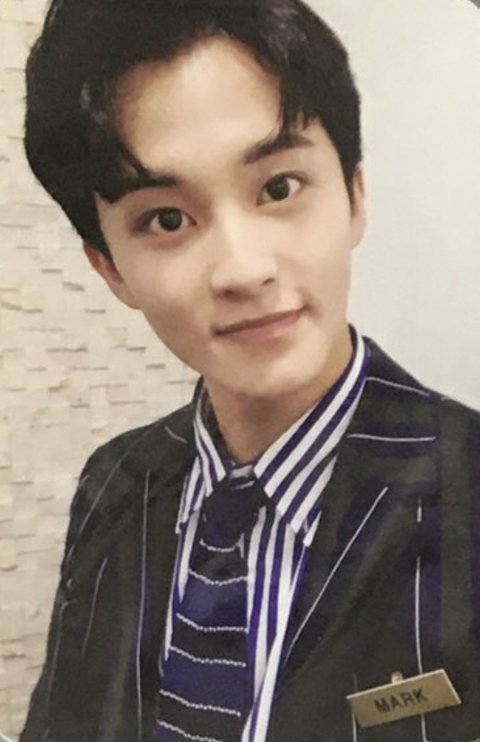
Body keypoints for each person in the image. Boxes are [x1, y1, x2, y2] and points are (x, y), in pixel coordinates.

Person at [19, 0, 480, 740]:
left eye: (279, 187)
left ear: (355, 195)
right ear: (109, 267)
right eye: (167, 219)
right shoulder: (112, 484)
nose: (242, 269)